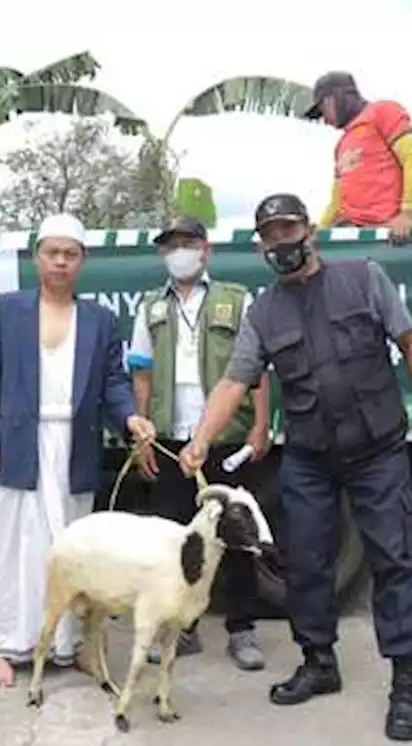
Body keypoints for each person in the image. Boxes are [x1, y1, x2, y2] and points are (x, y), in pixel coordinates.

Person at [178, 194, 412, 741]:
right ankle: (319, 663)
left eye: (289, 228)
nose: (282, 240)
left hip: (377, 452)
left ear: (310, 231)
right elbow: (235, 381)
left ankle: (406, 682)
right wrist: (201, 439)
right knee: (305, 564)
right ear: (261, 245)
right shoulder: (263, 312)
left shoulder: (364, 279)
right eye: (270, 234)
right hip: (307, 458)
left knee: (394, 561)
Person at [0, 213, 157, 689]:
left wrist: (130, 417)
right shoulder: (7, 310)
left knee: (77, 553)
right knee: (17, 549)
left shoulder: (98, 320)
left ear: (82, 261)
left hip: (74, 448)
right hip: (20, 447)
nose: (60, 262)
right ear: (38, 257)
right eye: (52, 252)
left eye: (70, 254)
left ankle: (72, 646)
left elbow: (115, 384)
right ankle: (7, 647)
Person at [125, 215, 273, 672]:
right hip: (171, 440)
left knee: (237, 538)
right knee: (177, 541)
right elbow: (142, 373)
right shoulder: (150, 307)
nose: (180, 252)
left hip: (226, 438)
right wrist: (142, 434)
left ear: (205, 250)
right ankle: (181, 630)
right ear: (162, 254)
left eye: (188, 242)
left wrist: (260, 425)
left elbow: (257, 368)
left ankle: (242, 629)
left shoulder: (235, 299)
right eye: (171, 245)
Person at [304, 71, 412, 245]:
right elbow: (337, 202)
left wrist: (408, 213)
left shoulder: (383, 111)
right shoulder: (342, 145)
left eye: (323, 109)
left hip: (386, 233)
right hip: (351, 235)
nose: (325, 120)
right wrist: (320, 232)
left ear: (336, 98)